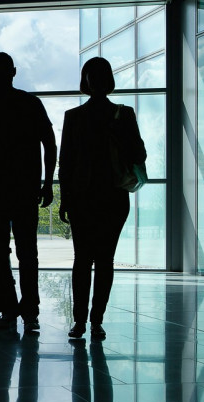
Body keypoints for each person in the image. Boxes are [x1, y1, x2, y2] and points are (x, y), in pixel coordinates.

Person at [0, 52, 57, 332]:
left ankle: (10, 309)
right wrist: (47, 183)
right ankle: (29, 311)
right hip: (24, 188)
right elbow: (49, 145)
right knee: (27, 252)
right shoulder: (31, 104)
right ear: (13, 72)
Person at [59, 57, 146, 339]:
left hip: (83, 197)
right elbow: (139, 155)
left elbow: (66, 163)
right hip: (113, 196)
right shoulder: (124, 114)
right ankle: (96, 321)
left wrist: (65, 199)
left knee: (82, 259)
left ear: (85, 81)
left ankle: (80, 322)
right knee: (105, 260)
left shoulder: (73, 117)